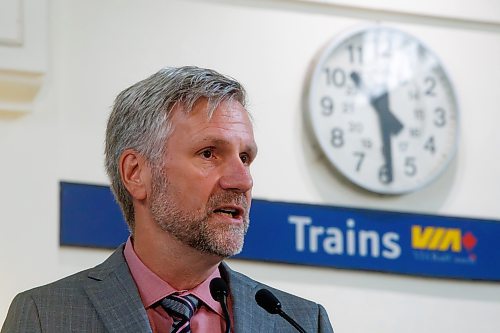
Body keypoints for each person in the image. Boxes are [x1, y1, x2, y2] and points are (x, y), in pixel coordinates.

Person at [2, 66, 334, 332]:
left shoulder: (300, 322)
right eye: (209, 153)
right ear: (136, 173)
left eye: (245, 158)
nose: (242, 180)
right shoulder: (46, 316)